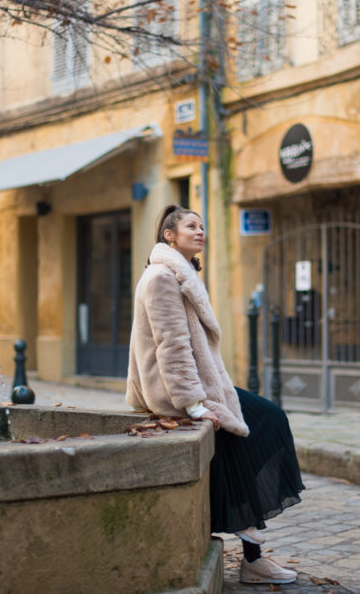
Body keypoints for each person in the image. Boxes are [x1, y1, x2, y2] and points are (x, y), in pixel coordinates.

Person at [127, 204, 305, 585]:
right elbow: (171, 346)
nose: (200, 231)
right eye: (191, 226)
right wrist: (194, 405)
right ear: (169, 235)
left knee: (265, 421)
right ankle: (253, 557)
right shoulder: (162, 277)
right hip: (175, 392)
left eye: (202, 226)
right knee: (252, 429)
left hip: (199, 385)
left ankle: (250, 548)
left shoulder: (180, 273)